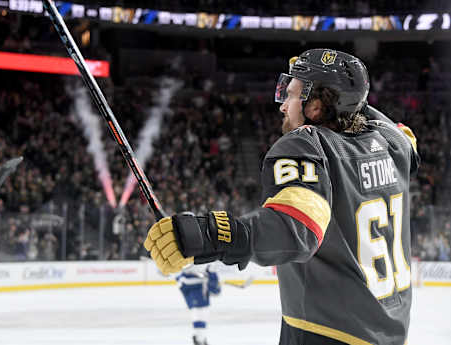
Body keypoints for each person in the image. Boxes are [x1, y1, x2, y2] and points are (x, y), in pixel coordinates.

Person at [144, 49, 420, 345]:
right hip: (390, 333)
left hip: (327, 333)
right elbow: (390, 129)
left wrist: (209, 235)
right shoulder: (394, 144)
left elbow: (296, 228)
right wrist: (346, 94)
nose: (283, 105)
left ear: (316, 107)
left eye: (291, 95)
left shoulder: (307, 144)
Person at [176, 264, 221, 345]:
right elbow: (182, 280)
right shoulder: (189, 266)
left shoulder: (210, 266)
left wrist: (212, 281)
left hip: (201, 294)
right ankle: (199, 339)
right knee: (199, 314)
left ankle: (201, 339)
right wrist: (203, 280)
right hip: (193, 291)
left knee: (203, 315)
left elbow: (216, 292)